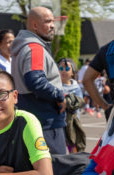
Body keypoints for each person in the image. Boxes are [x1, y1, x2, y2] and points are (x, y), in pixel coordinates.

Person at [11, 6, 66, 154]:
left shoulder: (22, 47)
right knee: (56, 169)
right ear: (35, 25)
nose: (53, 25)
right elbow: (36, 81)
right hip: (46, 122)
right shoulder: (34, 48)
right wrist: (60, 96)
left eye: (53, 21)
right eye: (48, 21)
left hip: (30, 118)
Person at [57, 58, 86, 153]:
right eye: (60, 68)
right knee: (59, 145)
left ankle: (74, 162)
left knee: (73, 144)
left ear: (73, 72)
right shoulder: (55, 86)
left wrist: (69, 101)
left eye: (67, 68)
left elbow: (81, 102)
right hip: (58, 121)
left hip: (72, 122)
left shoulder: (76, 87)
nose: (63, 71)